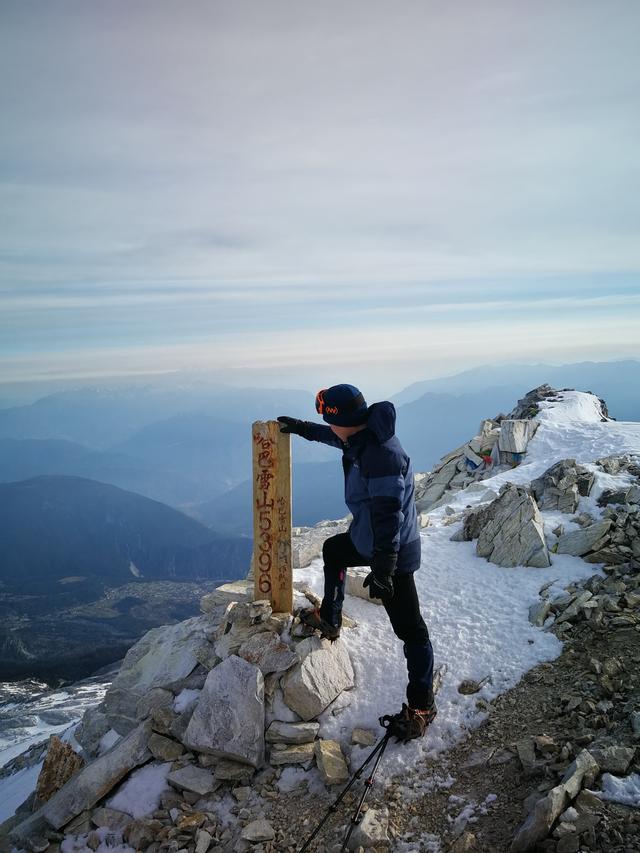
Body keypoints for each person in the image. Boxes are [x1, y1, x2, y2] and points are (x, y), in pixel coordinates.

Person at [278, 383, 436, 741]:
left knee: (411, 631)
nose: (327, 426)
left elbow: (388, 513)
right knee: (334, 550)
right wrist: (302, 428)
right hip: (368, 539)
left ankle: (422, 705)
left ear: (344, 419)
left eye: (327, 418)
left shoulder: (380, 455)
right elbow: (333, 436)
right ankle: (331, 618)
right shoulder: (358, 436)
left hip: (391, 550)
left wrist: (383, 569)